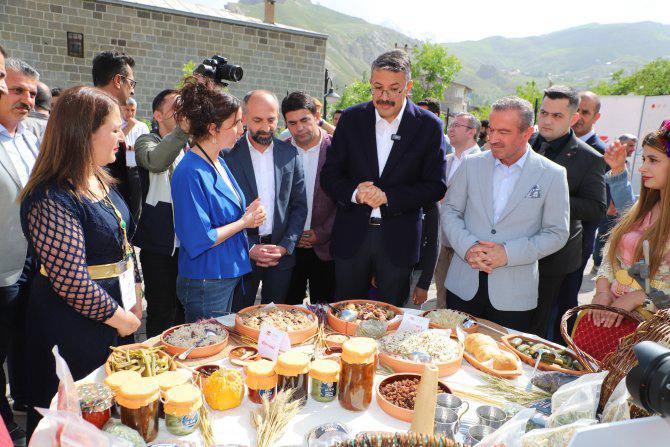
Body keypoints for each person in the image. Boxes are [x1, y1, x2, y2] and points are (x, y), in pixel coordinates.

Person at [19, 86, 142, 436]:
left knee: (110, 415)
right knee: (73, 422)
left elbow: (123, 243)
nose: (122, 137)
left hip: (113, 315)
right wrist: (122, 320)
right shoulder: (51, 196)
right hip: (72, 328)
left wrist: (135, 293)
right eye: (115, 129)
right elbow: (71, 281)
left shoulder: (98, 178)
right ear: (82, 133)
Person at [320, 50, 447, 307]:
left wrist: (389, 197)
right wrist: (356, 193)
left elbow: (435, 186)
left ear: (408, 87)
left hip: (398, 241)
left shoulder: (429, 126)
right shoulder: (351, 120)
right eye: (378, 88)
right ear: (370, 84)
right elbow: (330, 175)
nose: (384, 97)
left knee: (391, 318)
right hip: (351, 238)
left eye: (393, 89)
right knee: (345, 314)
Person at [442, 96, 570, 331]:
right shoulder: (471, 165)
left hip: (514, 297)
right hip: (463, 285)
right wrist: (468, 247)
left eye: (504, 132)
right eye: (491, 130)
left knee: (499, 362)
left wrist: (508, 254)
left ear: (527, 133)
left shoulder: (552, 174)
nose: (493, 138)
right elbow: (450, 211)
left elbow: (557, 233)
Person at [172, 79, 266, 321]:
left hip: (225, 273)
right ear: (213, 128)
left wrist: (247, 215)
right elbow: (200, 238)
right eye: (235, 124)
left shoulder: (218, 160)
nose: (241, 130)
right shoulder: (190, 172)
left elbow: (220, 214)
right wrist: (245, 222)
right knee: (206, 346)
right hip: (207, 279)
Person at [530, 86, 606, 340]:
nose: (547, 120)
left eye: (557, 116)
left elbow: (597, 208)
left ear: (573, 119)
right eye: (543, 113)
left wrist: (553, 198)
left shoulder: (589, 158)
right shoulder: (524, 143)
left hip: (554, 258)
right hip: (513, 247)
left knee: (537, 326)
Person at [226, 90, 307, 311]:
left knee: (275, 319)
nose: (265, 127)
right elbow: (223, 212)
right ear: (244, 118)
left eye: (271, 120)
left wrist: (284, 247)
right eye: (257, 120)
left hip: (280, 258)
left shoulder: (290, 154)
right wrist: (249, 247)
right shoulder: (227, 156)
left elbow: (299, 206)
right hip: (240, 256)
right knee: (238, 317)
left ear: (278, 119)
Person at [589, 125, 670, 329]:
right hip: (609, 323)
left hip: (652, 338)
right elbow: (611, 253)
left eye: (653, 160)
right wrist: (602, 291)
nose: (642, 168)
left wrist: (638, 297)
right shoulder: (642, 207)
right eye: (644, 159)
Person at [0, 56, 40, 447]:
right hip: (3, 267)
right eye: (16, 90)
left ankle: (27, 410)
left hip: (38, 261)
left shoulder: (33, 135)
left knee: (29, 342)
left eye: (30, 92)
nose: (26, 99)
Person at [133, 89, 188, 337]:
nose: (181, 114)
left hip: (188, 247)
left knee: (184, 312)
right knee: (161, 312)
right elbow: (156, 161)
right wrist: (182, 131)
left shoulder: (190, 146)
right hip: (159, 247)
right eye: (175, 109)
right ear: (157, 114)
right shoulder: (146, 140)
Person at [282, 92, 337, 304]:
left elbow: (345, 202)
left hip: (328, 249)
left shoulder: (338, 150)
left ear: (317, 115)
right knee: (286, 315)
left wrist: (321, 233)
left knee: (324, 313)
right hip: (288, 249)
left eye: (305, 120)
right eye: (292, 123)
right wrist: (291, 234)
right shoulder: (280, 151)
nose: (299, 128)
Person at [435, 113, 481, 307]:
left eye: (457, 125)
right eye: (450, 124)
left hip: (467, 241)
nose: (450, 129)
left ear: (472, 132)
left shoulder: (484, 162)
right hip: (442, 239)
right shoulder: (445, 160)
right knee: (442, 296)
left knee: (463, 301)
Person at [92, 50, 136, 206]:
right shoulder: (90, 115)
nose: (132, 90)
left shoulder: (105, 112)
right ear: (118, 80)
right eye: (131, 83)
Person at [121, 97, 149, 222]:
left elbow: (147, 146)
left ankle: (134, 226)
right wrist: (128, 127)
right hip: (121, 167)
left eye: (133, 110)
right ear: (122, 109)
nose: (130, 113)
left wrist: (132, 147)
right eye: (127, 110)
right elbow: (118, 141)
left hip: (136, 168)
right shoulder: (118, 125)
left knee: (136, 202)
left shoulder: (142, 126)